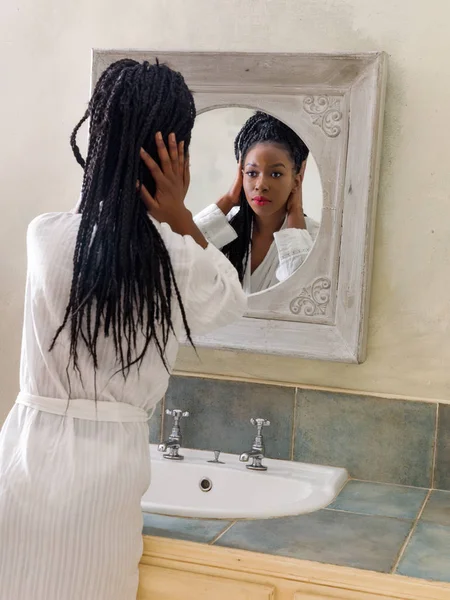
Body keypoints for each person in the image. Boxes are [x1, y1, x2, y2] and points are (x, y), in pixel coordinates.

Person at [0, 59, 246, 600]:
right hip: (102, 479)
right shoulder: (173, 259)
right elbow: (229, 300)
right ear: (173, 155)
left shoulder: (45, 237)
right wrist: (180, 215)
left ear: (100, 136)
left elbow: (98, 235)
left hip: (18, 466)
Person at [194, 112, 320, 294]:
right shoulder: (222, 225)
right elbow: (181, 257)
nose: (261, 185)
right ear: (241, 174)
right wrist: (229, 199)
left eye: (276, 174)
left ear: (296, 180)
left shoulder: (314, 238)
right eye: (252, 173)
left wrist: (296, 213)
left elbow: (301, 295)